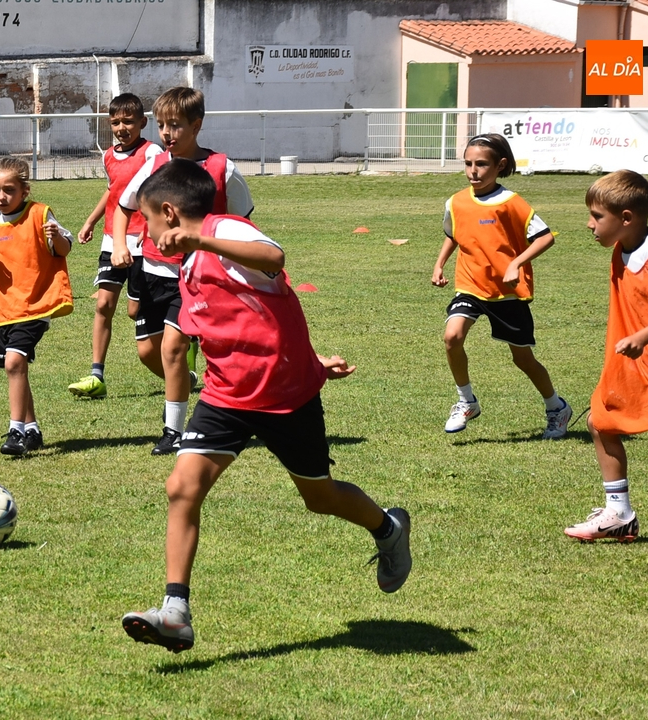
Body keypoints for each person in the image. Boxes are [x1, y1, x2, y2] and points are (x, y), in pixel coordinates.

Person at [120, 160, 411, 653]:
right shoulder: (188, 264)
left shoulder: (222, 230)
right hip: (224, 395)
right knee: (182, 487)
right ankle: (175, 611)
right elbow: (253, 319)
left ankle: (388, 527)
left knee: (319, 497)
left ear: (169, 212)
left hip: (284, 397)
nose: (145, 232)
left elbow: (273, 258)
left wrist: (200, 242)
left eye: (146, 220)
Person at [111, 87, 254, 455]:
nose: (166, 134)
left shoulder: (222, 168)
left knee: (173, 348)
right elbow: (123, 208)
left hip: (196, 276)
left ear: (197, 125)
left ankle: (174, 432)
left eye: (174, 126)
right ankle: (187, 382)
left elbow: (244, 220)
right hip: (150, 271)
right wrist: (122, 245)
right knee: (148, 352)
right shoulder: (156, 165)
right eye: (161, 126)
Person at [565, 170, 648, 542]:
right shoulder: (622, 248)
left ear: (626, 218)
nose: (589, 224)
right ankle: (619, 513)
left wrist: (642, 338)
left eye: (597, 216)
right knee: (602, 423)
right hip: (632, 367)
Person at [432, 133, 572, 438]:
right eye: (468, 163)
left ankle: (556, 407)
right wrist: (440, 263)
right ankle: (465, 400)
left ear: (500, 165)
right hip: (469, 286)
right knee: (452, 337)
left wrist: (515, 263)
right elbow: (453, 233)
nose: (473, 171)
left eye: (481, 164)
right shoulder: (455, 201)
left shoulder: (511, 203)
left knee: (522, 359)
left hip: (508, 294)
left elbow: (545, 237)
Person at [0, 156, 73, 456]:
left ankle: (15, 431)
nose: (2, 196)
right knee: (13, 368)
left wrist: (57, 238)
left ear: (24, 191)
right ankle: (32, 428)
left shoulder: (41, 215)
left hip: (36, 305)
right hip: (2, 309)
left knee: (15, 363)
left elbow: (64, 250)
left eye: (9, 190)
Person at [67, 93, 161, 400]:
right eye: (116, 122)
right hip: (112, 238)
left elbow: (157, 196)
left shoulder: (152, 154)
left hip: (139, 242)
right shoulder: (109, 155)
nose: (122, 127)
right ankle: (97, 375)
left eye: (129, 121)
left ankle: (179, 356)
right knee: (103, 304)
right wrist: (90, 221)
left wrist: (150, 230)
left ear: (142, 123)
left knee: (135, 312)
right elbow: (112, 192)